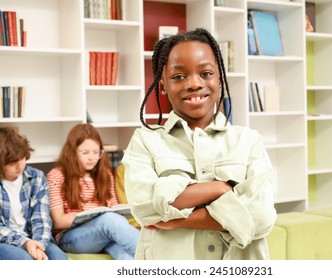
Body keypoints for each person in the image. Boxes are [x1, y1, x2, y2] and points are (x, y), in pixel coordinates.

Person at [122, 28, 277, 260]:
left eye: (205, 73)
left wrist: (177, 218)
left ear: (219, 79)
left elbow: (261, 217)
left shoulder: (249, 141)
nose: (194, 84)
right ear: (162, 84)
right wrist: (221, 189)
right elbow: (145, 209)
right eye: (178, 76)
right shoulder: (145, 141)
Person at [47, 123, 139, 260]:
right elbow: (58, 221)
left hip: (103, 232)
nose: (92, 158)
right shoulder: (56, 176)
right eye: (85, 153)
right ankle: (160, 259)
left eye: (96, 152)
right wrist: (93, 217)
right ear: (72, 152)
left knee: (124, 253)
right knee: (109, 220)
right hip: (70, 237)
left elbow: (113, 208)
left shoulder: (105, 175)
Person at [0, 126, 68, 260]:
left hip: (35, 237)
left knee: (60, 259)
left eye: (22, 158)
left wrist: (39, 245)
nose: (20, 166)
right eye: (12, 163)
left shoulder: (36, 177)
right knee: (26, 261)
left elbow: (41, 218)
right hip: (5, 241)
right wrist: (25, 243)